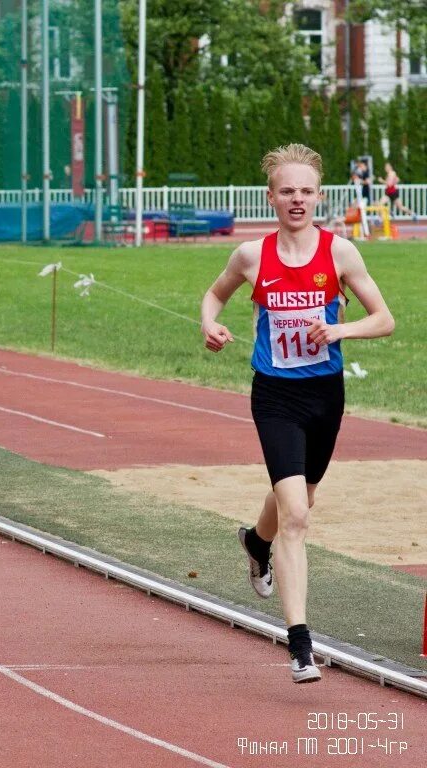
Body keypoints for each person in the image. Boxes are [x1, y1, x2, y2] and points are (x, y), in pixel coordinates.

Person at [201, 144, 395, 684]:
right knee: (299, 515)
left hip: (325, 396)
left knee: (300, 497)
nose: (297, 199)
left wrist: (340, 328)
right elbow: (213, 297)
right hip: (275, 396)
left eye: (306, 191)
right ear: (272, 197)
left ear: (319, 197)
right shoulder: (251, 256)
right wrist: (209, 323)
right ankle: (300, 644)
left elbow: (384, 319)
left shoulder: (340, 254)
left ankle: (255, 543)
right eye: (287, 190)